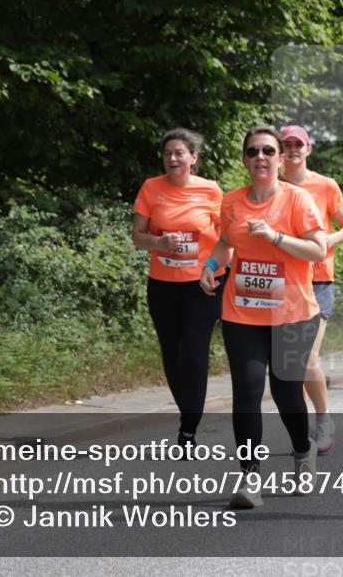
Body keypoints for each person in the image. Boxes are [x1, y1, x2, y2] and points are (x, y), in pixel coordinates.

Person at [200, 125, 327, 510]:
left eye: (268, 151)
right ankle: (250, 476)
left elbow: (318, 251)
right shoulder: (233, 202)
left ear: (281, 158)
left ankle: (303, 451)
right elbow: (226, 242)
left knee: (287, 391)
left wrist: (274, 236)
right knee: (248, 390)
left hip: (292, 313)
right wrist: (210, 264)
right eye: (253, 151)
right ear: (244, 159)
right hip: (242, 311)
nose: (261, 158)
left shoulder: (298, 199)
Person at [132, 129, 224, 451]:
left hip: (203, 283)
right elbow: (137, 236)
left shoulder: (211, 190)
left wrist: (217, 269)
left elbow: (227, 238)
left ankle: (189, 428)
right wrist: (159, 242)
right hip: (163, 285)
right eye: (168, 153)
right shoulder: (151, 188)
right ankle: (188, 415)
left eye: (179, 153)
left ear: (193, 158)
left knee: (194, 352)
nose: (173, 158)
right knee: (171, 354)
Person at [280, 124, 343, 455]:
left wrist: (328, 240)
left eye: (299, 143)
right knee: (286, 362)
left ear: (309, 149)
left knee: (307, 357)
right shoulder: (272, 185)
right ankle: (301, 432)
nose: (293, 149)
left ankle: (323, 419)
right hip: (281, 280)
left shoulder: (325, 185)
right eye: (286, 144)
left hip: (319, 279)